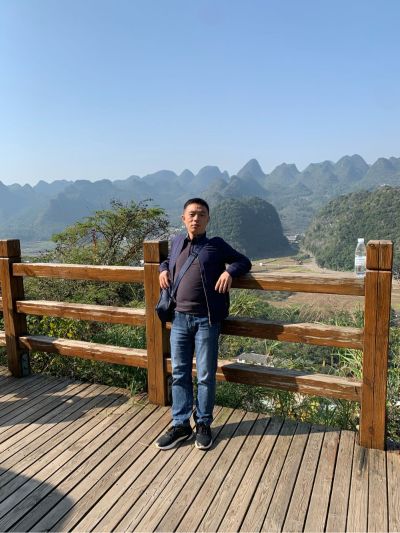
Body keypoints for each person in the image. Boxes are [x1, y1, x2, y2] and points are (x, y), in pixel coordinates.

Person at [155, 198, 251, 450]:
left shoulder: (215, 245)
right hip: (179, 319)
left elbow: (243, 261)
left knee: (206, 375)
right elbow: (168, 260)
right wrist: (162, 269)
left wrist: (229, 272)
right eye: (191, 214)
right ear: (183, 218)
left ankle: (204, 423)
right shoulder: (177, 241)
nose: (196, 218)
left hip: (206, 320)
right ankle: (180, 425)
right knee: (179, 373)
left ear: (208, 219)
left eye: (201, 214)